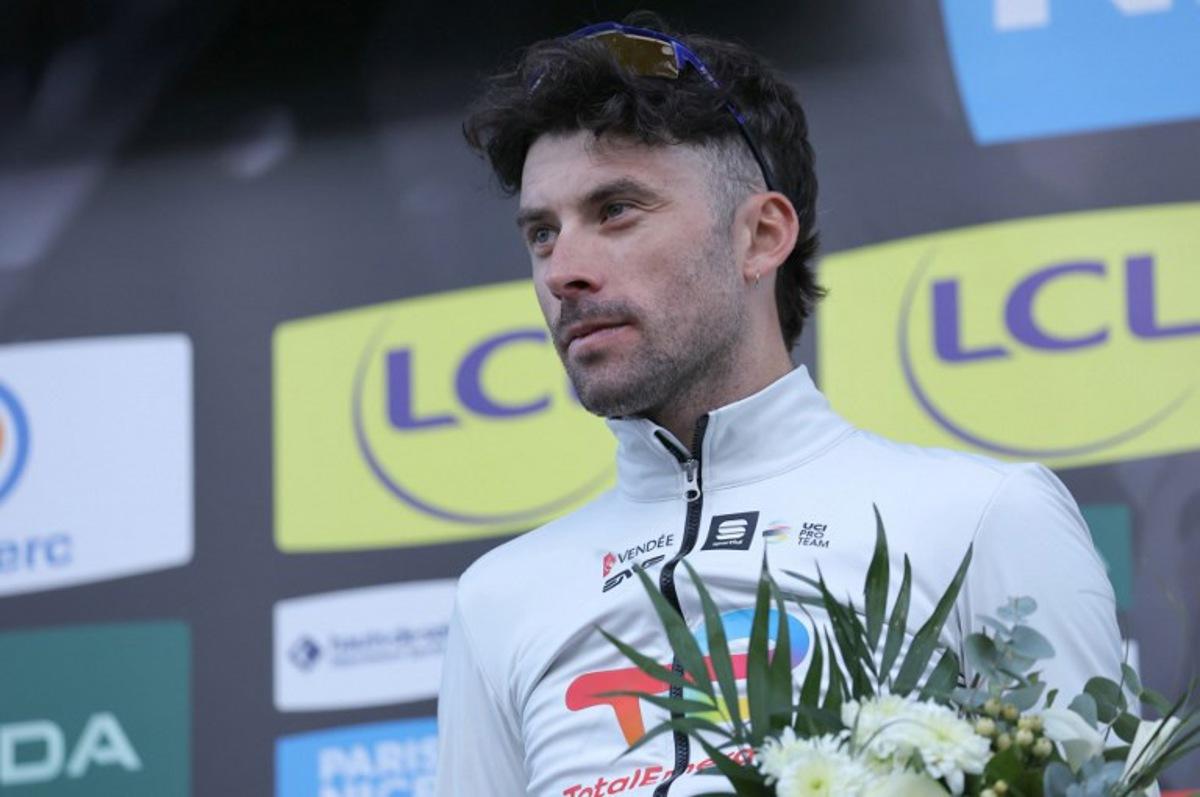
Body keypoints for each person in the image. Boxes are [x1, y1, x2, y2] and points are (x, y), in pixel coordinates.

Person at [436, 15, 1122, 797]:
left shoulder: (983, 517)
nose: (564, 272)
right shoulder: (497, 600)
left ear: (761, 235)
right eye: (542, 234)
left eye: (616, 209)